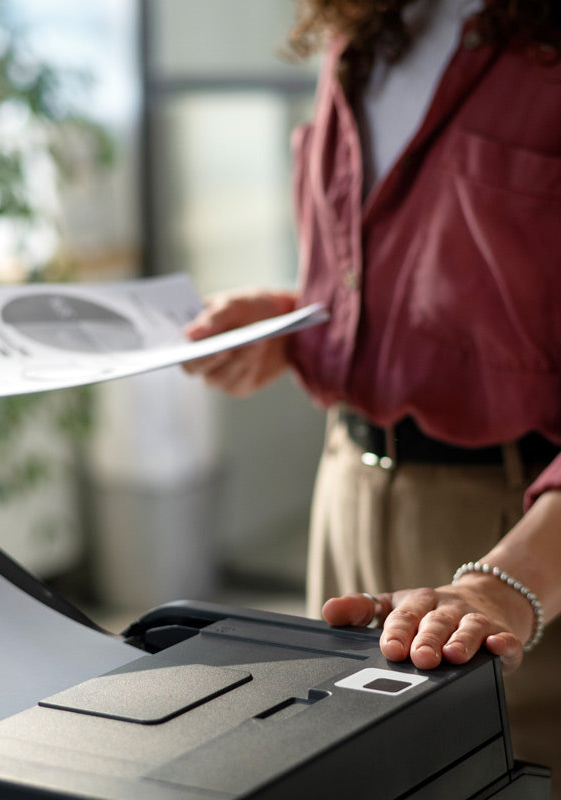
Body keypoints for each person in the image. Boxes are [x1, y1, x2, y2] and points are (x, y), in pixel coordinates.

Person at [183, 0, 561, 791]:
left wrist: (507, 584)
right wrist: (297, 328)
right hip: (346, 488)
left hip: (520, 532)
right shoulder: (363, 28)